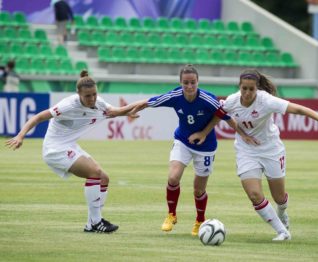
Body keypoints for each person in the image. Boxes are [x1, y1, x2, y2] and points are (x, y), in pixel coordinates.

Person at [188, 69, 318, 241]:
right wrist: (204, 133)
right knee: (254, 195)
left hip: (271, 150)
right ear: (239, 87)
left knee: (279, 198)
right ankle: (282, 231)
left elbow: (297, 109)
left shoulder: (266, 101)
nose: (246, 93)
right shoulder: (232, 100)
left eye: (251, 89)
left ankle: (282, 212)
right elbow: (218, 115)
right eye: (244, 88)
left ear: (257, 88)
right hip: (246, 151)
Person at [6, 70, 140, 233]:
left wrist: (130, 110)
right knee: (95, 172)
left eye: (94, 94)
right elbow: (38, 117)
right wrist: (20, 136)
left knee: (104, 178)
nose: (92, 99)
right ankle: (96, 222)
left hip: (68, 145)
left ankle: (93, 223)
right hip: (55, 149)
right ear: (79, 94)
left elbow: (114, 111)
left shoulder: (99, 102)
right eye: (88, 96)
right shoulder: (68, 105)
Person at [129, 64, 255, 236]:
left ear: (198, 82)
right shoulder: (175, 95)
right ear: (180, 82)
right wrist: (134, 109)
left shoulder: (208, 99)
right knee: (173, 177)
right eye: (185, 83)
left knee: (199, 189)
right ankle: (171, 214)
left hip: (206, 147)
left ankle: (200, 220)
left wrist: (243, 135)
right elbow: (149, 102)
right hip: (183, 141)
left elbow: (225, 117)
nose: (189, 87)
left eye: (193, 83)